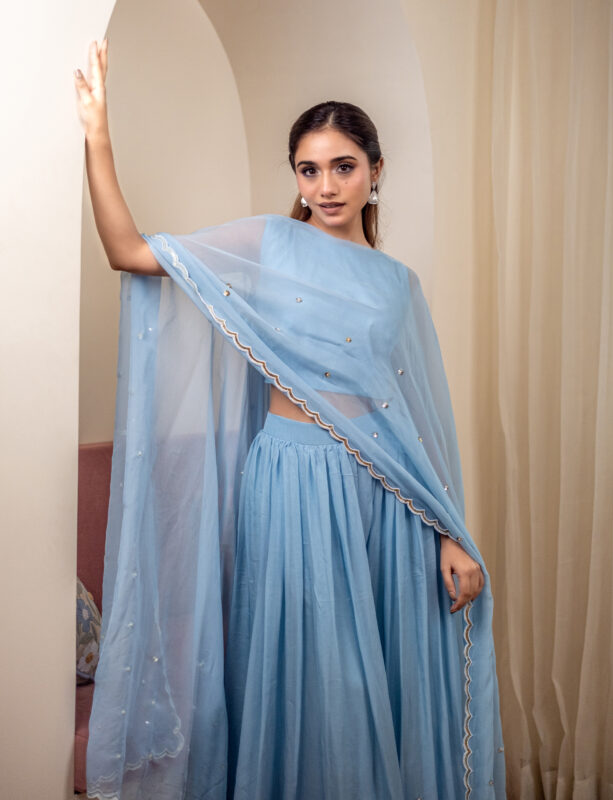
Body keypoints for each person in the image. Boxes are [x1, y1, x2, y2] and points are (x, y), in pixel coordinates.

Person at [75, 39, 506, 799]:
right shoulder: (268, 245)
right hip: (291, 480)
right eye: (309, 170)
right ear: (296, 179)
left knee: (377, 674)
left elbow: (414, 420)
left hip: (382, 495)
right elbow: (127, 251)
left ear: (376, 171)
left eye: (343, 166)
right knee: (316, 674)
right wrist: (98, 138)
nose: (326, 186)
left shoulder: (398, 284)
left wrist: (448, 532)